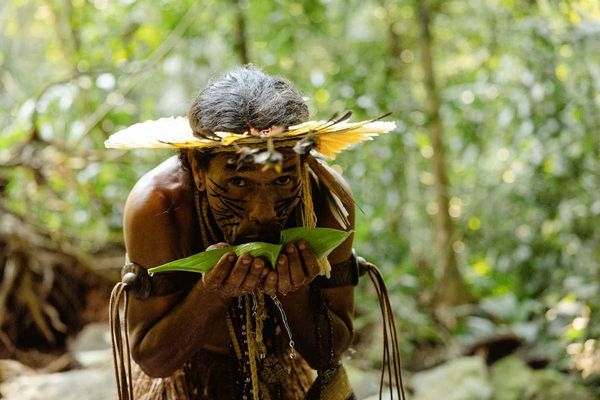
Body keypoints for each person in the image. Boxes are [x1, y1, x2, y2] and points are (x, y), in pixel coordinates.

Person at [106, 66, 399, 400]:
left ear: (303, 164)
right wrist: (211, 294)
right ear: (199, 170)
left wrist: (295, 292)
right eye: (239, 182)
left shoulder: (326, 198)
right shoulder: (158, 203)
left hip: (281, 371)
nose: (265, 212)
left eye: (283, 181)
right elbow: (153, 360)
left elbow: (328, 355)